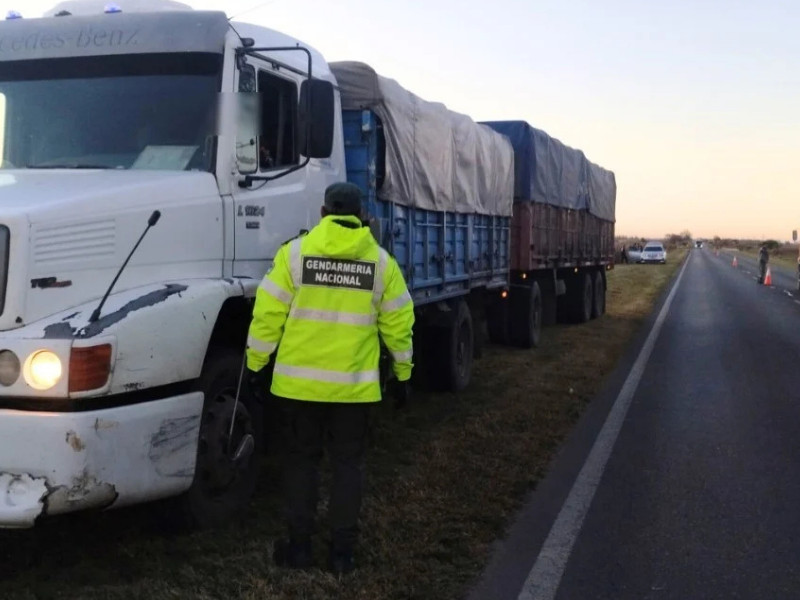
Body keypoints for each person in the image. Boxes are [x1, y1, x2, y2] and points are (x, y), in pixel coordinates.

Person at [246, 182, 415, 575]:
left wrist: (256, 365)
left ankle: (300, 548)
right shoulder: (382, 264)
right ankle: (342, 554)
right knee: (347, 467)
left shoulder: (293, 255)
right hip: (354, 392)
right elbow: (399, 324)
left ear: (323, 213)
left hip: (297, 388)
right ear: (362, 217)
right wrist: (403, 375)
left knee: (301, 465)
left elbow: (266, 315)